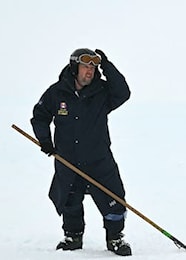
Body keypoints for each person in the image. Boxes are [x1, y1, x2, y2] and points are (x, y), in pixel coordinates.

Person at [30, 48, 132, 256]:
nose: (90, 71)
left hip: (99, 159)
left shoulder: (102, 93)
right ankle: (73, 236)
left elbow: (123, 93)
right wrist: (45, 141)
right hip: (68, 159)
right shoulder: (56, 92)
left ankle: (115, 239)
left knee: (114, 200)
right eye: (86, 66)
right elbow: (40, 116)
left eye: (94, 67)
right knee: (70, 200)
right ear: (74, 67)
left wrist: (107, 65)